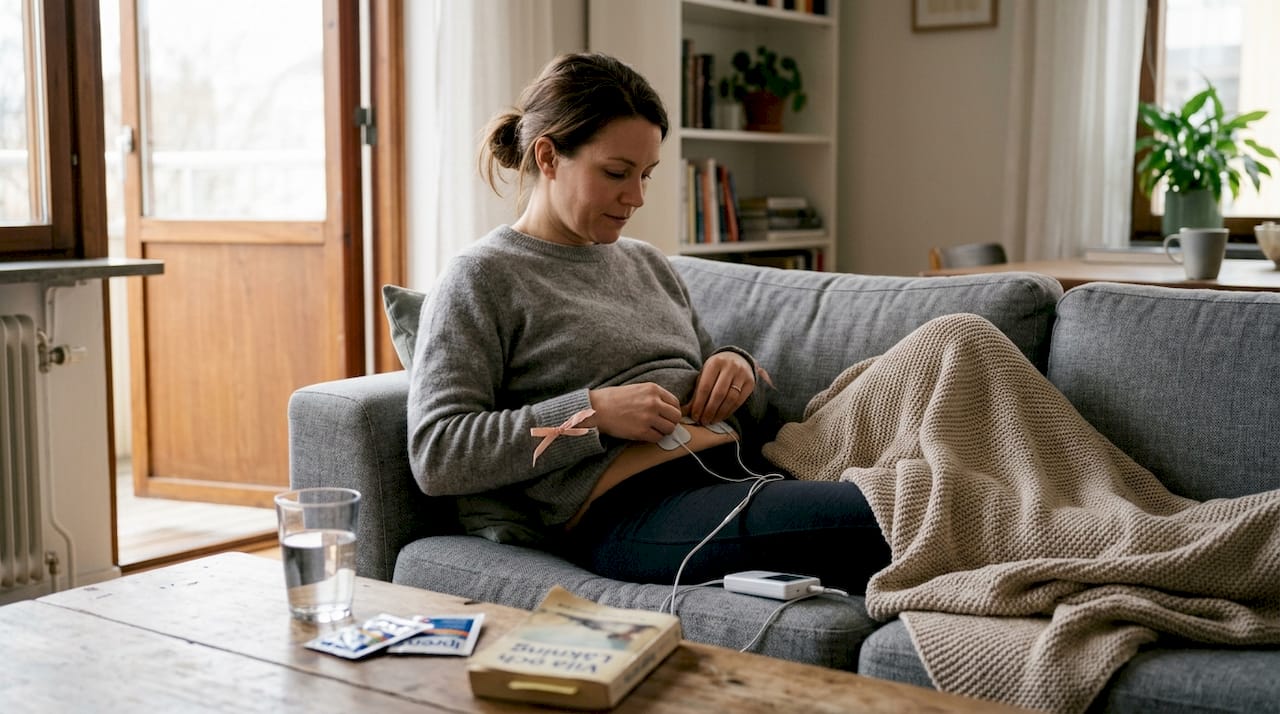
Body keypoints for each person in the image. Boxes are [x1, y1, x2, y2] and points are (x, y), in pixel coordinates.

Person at [407, 52, 890, 595]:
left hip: (746, 466)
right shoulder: (482, 278)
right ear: (547, 156)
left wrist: (736, 366)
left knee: (956, 344)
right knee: (901, 511)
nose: (635, 197)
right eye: (616, 173)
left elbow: (748, 403)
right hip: (639, 513)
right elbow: (439, 452)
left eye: (646, 176)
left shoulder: (646, 263)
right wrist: (593, 413)